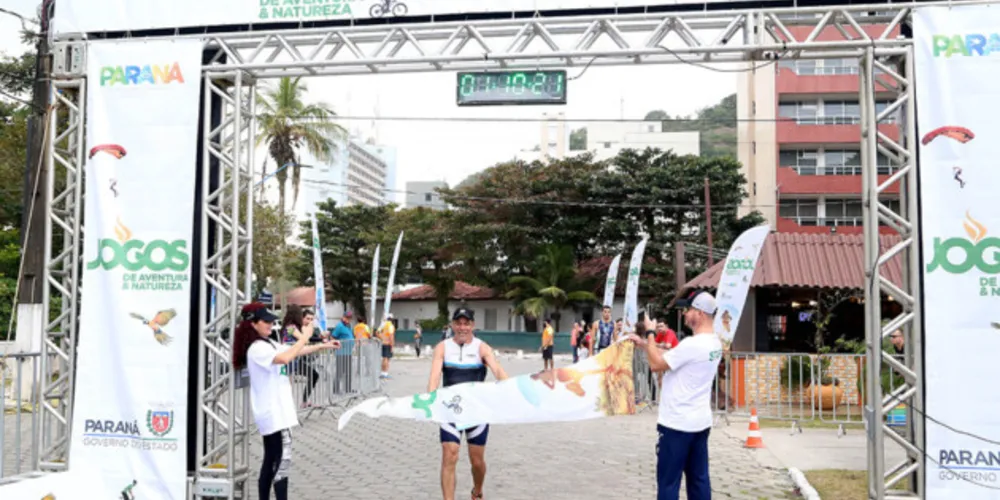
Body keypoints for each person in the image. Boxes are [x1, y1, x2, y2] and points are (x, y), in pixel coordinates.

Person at [233, 302, 340, 500]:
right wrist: (306, 336)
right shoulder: (257, 348)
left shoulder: (268, 343)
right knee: (281, 463)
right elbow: (285, 358)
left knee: (271, 461)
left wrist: (322, 345)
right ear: (252, 324)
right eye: (265, 321)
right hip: (274, 414)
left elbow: (294, 351)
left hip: (277, 413)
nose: (270, 324)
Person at [628, 290, 722, 500]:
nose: (685, 314)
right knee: (699, 480)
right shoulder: (714, 343)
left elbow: (656, 364)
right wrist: (644, 345)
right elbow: (673, 358)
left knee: (669, 483)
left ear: (700, 313)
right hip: (699, 423)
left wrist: (650, 333)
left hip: (676, 424)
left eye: (688, 310)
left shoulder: (693, 344)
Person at [427, 307, 509, 500]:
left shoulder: (482, 347)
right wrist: (430, 401)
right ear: (453, 325)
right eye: (458, 323)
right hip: (450, 410)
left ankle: (477, 490)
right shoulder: (443, 347)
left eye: (466, 323)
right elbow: (434, 378)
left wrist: (514, 388)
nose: (462, 327)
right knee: (450, 454)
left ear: (473, 325)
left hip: (477, 412)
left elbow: (498, 372)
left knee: (477, 461)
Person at [280, 306, 321, 408]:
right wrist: (309, 329)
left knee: (312, 375)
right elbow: (305, 340)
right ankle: (285, 411)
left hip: (294, 360)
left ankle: (301, 403)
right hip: (288, 360)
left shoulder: (293, 327)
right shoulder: (290, 327)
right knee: (285, 387)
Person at [377, 313, 396, 379]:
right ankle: (385, 373)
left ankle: (382, 373)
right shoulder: (391, 326)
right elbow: (391, 336)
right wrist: (392, 345)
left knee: (384, 358)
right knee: (387, 359)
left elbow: (377, 332)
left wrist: (382, 338)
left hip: (383, 343)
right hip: (388, 344)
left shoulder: (383, 324)